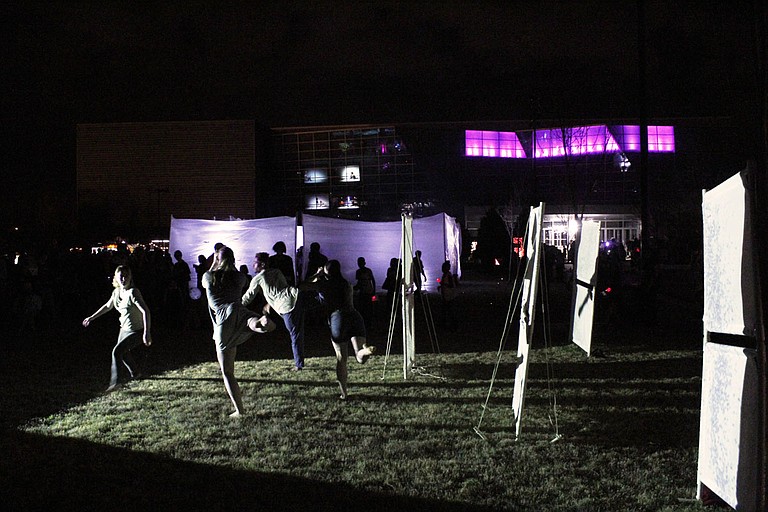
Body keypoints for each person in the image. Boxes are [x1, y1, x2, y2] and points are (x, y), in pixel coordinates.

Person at [202, 246, 275, 417]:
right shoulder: (239, 277)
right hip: (239, 310)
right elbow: (234, 275)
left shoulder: (209, 276)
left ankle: (239, 411)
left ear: (218, 259)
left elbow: (207, 278)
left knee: (227, 371)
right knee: (251, 323)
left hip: (223, 319)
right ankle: (262, 321)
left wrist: (215, 263)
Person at [307, 260, 375, 400]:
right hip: (355, 316)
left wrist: (317, 274)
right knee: (359, 357)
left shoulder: (323, 284)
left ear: (326, 271)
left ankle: (344, 393)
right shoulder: (346, 284)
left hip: (338, 318)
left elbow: (302, 285)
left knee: (341, 358)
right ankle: (364, 350)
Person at [82, 265, 152, 392]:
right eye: (121, 276)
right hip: (124, 329)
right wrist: (91, 317)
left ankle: (116, 382)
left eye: (126, 276)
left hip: (137, 330)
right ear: (116, 278)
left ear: (130, 277)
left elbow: (146, 311)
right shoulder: (116, 292)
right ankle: (136, 374)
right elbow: (108, 306)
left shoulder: (133, 292)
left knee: (117, 352)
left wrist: (146, 333)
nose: (124, 279)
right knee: (123, 353)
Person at [243, 252, 312, 371]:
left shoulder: (258, 278)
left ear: (262, 264)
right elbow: (281, 289)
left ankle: (299, 365)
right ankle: (299, 362)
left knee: (295, 334)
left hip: (287, 306)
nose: (253, 265)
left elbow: (248, 297)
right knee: (297, 332)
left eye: (255, 263)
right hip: (296, 296)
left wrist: (236, 304)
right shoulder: (277, 272)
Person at [353, 256, 376, 329]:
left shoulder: (359, 272)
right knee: (368, 308)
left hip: (365, 292)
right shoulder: (367, 270)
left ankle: (366, 324)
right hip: (368, 291)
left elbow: (359, 283)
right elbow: (372, 280)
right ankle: (368, 324)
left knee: (364, 308)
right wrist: (374, 291)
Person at [438, 260, 458, 327]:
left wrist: (443, 284)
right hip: (446, 295)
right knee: (447, 310)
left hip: (449, 296)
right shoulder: (445, 275)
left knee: (448, 310)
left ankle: (451, 323)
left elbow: (451, 285)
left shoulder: (448, 275)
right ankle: (448, 323)